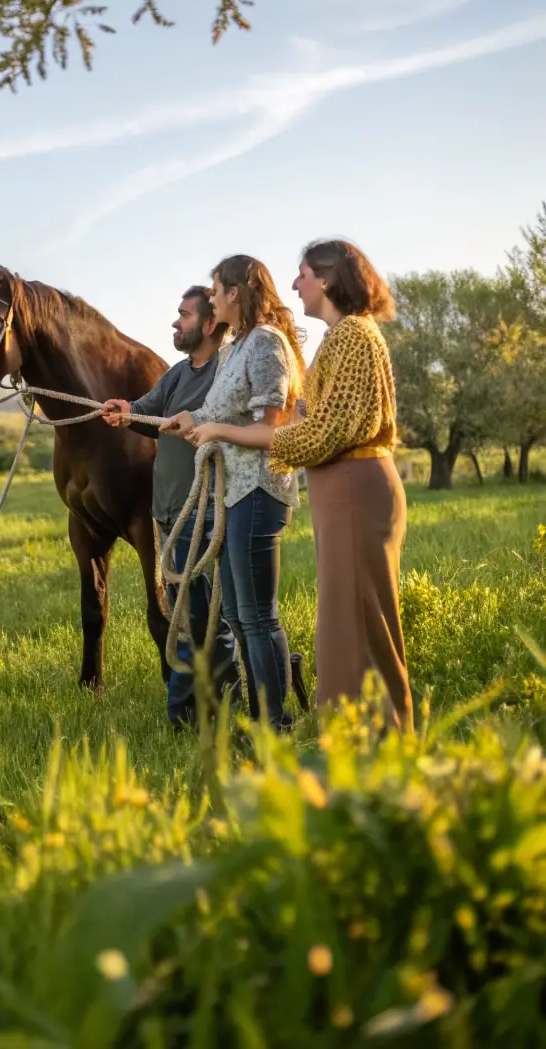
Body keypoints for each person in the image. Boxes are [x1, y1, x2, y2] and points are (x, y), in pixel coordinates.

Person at [183, 240, 413, 731]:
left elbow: (323, 431)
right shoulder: (338, 338)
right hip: (341, 490)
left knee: (359, 621)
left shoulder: (353, 335)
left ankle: (376, 742)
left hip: (353, 486)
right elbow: (307, 422)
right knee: (343, 621)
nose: (294, 285)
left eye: (303, 273)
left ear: (327, 279)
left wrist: (232, 433)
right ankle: (353, 738)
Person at [161, 255, 305, 731]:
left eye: (216, 289)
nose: (212, 297)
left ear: (235, 294)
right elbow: (220, 414)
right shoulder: (235, 348)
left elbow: (273, 426)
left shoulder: (264, 342)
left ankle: (275, 725)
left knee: (259, 618)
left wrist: (215, 428)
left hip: (260, 490)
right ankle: (265, 715)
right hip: (234, 493)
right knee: (242, 619)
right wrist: (193, 421)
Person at [101, 288, 239, 729]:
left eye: (183, 315)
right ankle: (194, 714)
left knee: (206, 620)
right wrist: (126, 410)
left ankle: (207, 713)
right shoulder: (178, 374)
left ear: (210, 323)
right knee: (183, 620)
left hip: (207, 512)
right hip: (170, 514)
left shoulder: (227, 371)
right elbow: (147, 410)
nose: (175, 324)